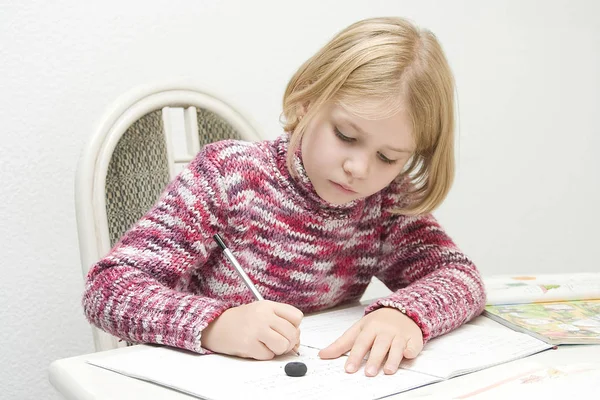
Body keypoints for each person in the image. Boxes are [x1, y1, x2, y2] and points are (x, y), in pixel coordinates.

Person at [82, 16, 486, 378]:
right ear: (306, 101)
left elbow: (459, 277)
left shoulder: (384, 203)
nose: (360, 169)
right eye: (346, 136)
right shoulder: (227, 175)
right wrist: (214, 324)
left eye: (387, 156)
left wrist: (405, 315)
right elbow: (107, 289)